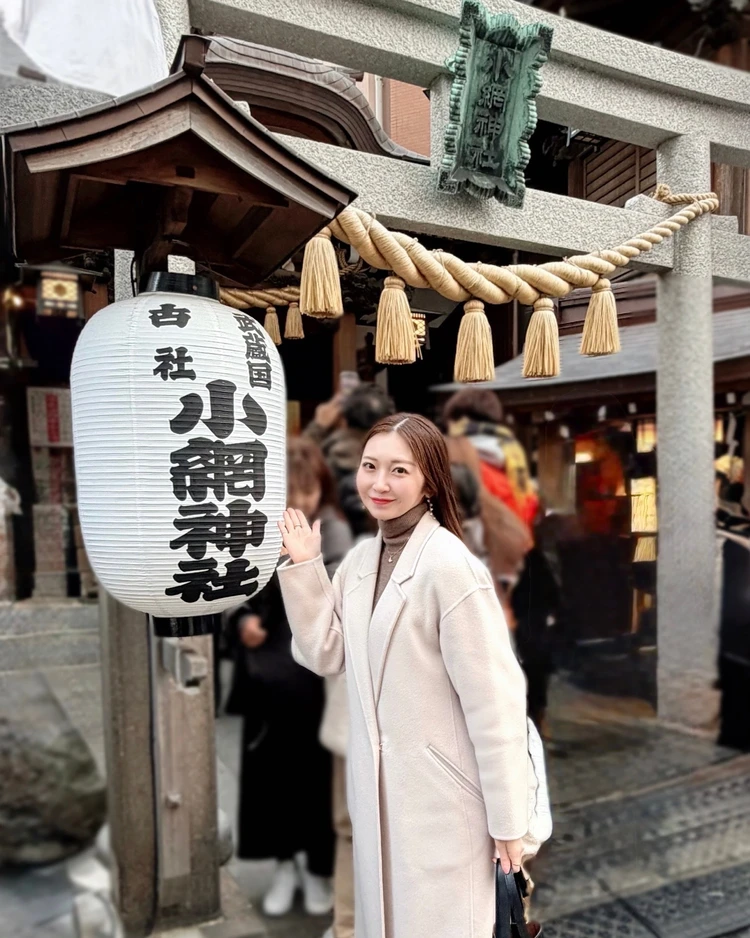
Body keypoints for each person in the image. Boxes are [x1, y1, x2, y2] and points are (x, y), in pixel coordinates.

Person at [277, 414, 533, 938]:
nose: (379, 483)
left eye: (399, 470)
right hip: (379, 797)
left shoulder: (450, 567)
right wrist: (305, 567)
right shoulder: (362, 560)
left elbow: (496, 703)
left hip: (443, 805)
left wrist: (510, 823)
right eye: (370, 466)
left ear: (429, 481)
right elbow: (325, 652)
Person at [230, 437, 352, 918]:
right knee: (270, 779)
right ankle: (284, 865)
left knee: (317, 780)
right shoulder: (254, 529)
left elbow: (336, 606)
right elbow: (233, 589)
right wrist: (242, 621)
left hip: (313, 678)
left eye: (308, 491)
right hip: (266, 679)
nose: (300, 502)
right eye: (291, 491)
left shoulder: (336, 532)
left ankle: (318, 869)